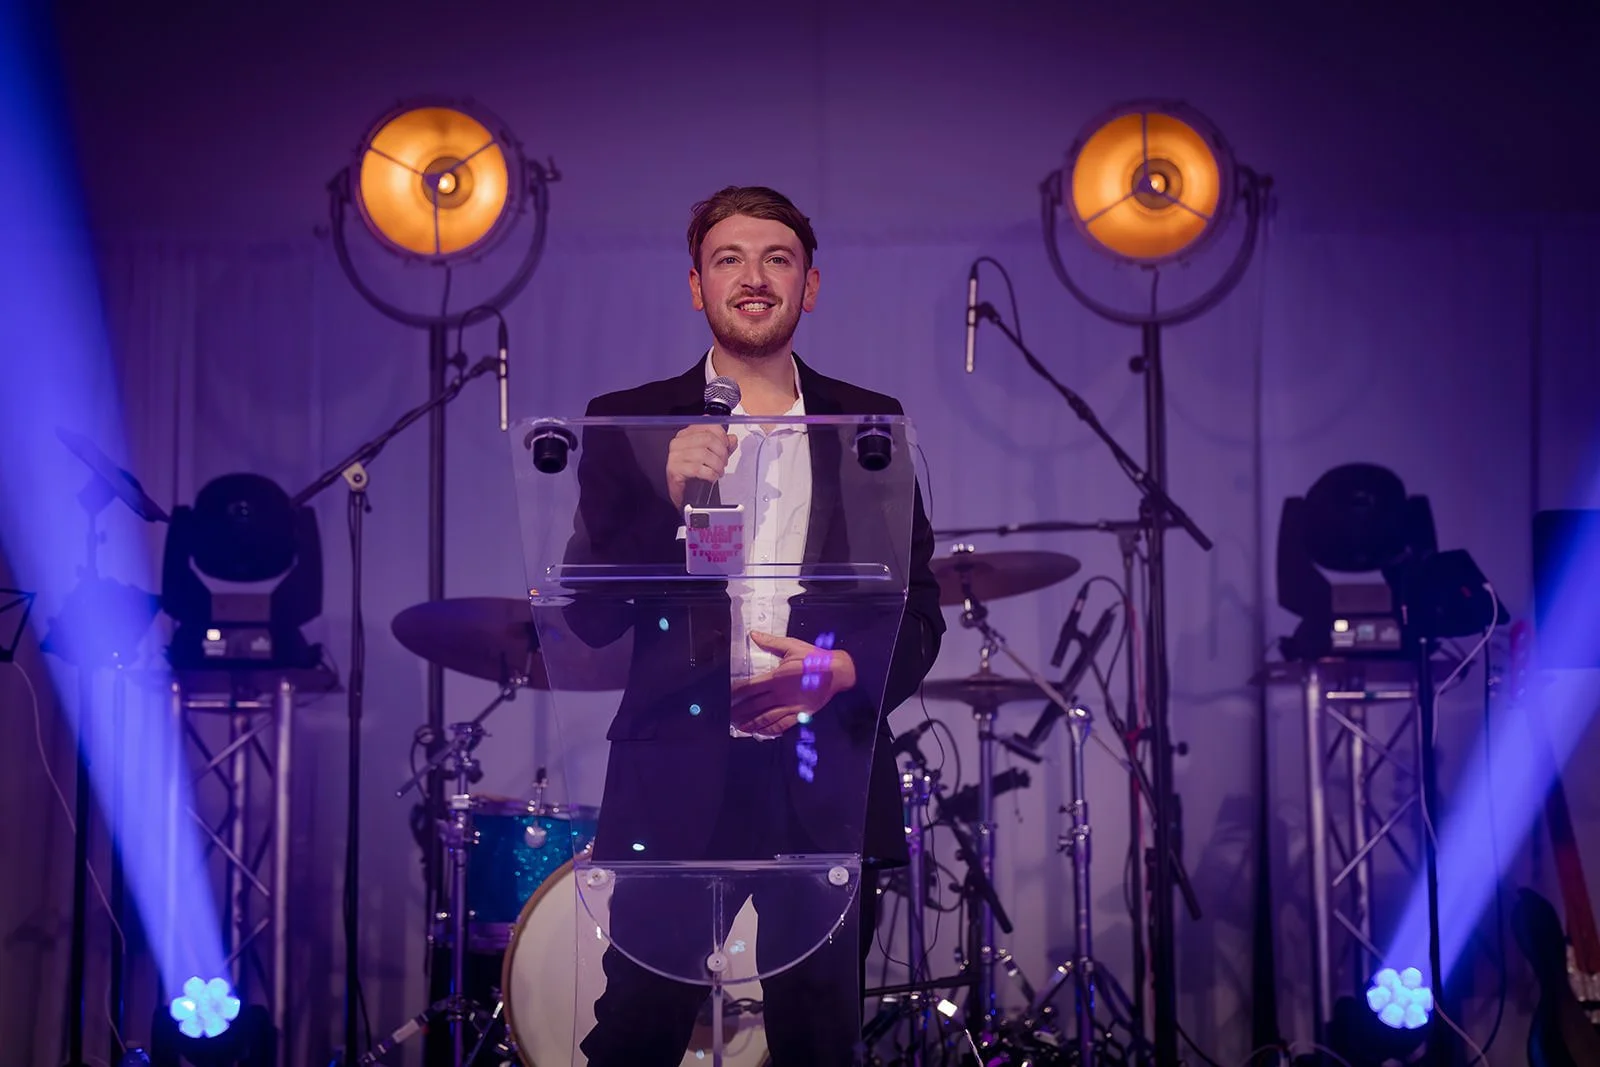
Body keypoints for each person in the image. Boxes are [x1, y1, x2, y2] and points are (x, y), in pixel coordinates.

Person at [562, 185, 945, 1066]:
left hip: (820, 771)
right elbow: (586, 607)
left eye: (778, 259)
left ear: (809, 287)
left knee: (820, 1039)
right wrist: (663, 504)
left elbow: (918, 613)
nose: (754, 277)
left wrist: (844, 673)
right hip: (676, 771)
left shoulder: (869, 426)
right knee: (633, 1034)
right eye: (728, 259)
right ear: (696, 286)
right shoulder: (631, 419)